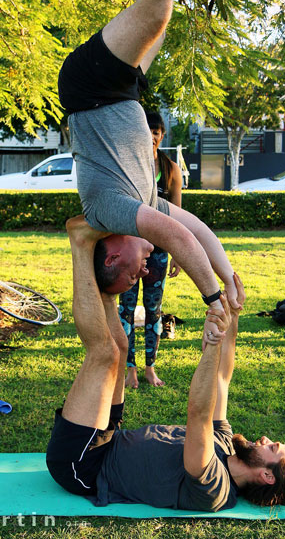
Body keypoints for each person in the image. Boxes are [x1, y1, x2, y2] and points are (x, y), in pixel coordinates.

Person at [58, 0, 241, 323]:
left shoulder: (107, 214)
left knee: (153, 10)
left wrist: (211, 299)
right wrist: (227, 274)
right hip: (118, 94)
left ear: (113, 256)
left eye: (131, 275)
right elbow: (194, 227)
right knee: (160, 20)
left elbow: (176, 238)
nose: (142, 272)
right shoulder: (139, 201)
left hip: (89, 88)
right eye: (142, 277)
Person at [46, 216, 285, 512]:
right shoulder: (226, 443)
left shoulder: (215, 488)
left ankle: (80, 242)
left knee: (103, 353)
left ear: (267, 476)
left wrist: (212, 345)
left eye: (272, 448)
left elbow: (199, 413)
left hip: (84, 464)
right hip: (110, 436)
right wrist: (232, 313)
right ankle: (102, 271)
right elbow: (222, 380)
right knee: (120, 347)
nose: (266, 439)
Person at [119, 111, 182, 388]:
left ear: (162, 135)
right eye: (149, 130)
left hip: (158, 252)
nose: (153, 135)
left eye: (157, 131)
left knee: (154, 311)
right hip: (131, 249)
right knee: (127, 310)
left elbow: (177, 215)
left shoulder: (171, 170)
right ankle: (129, 368)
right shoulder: (130, 166)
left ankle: (150, 368)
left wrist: (178, 252)